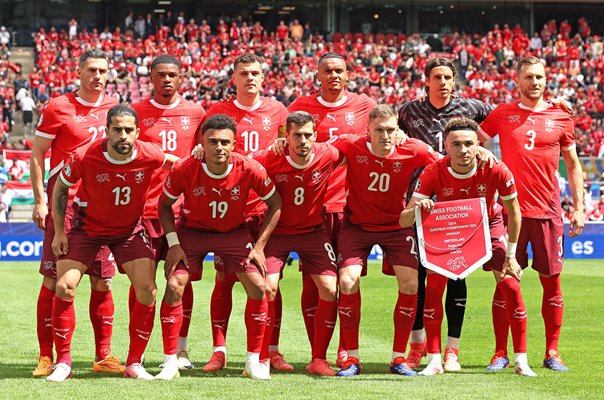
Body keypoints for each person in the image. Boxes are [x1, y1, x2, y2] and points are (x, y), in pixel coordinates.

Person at [46, 104, 176, 382]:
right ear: (106, 131)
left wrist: (200, 156)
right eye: (117, 129)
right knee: (64, 286)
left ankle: (133, 363)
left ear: (138, 132)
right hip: (87, 229)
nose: (123, 135)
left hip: (128, 231)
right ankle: (64, 362)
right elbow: (60, 186)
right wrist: (59, 231)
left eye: (129, 130)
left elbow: (176, 161)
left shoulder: (150, 152)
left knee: (147, 289)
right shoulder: (84, 155)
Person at [401, 117, 537, 377]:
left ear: (478, 145)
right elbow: (404, 218)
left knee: (510, 284)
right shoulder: (433, 171)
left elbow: (514, 212)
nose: (463, 150)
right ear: (446, 146)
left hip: (489, 224)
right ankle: (434, 359)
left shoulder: (496, 168)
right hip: (451, 229)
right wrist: (418, 207)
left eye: (468, 143)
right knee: (435, 286)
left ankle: (521, 360)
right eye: (456, 144)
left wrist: (510, 254)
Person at [156, 114, 282, 380]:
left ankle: (253, 362)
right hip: (193, 233)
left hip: (233, 233)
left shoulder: (249, 168)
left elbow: (276, 204)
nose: (219, 148)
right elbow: (164, 205)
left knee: (259, 287)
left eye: (225, 142)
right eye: (212, 141)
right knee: (173, 285)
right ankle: (170, 362)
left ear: (234, 144)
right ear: (202, 142)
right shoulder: (185, 168)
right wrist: (174, 244)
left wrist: (259, 246)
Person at [479, 56, 585, 372]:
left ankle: (552, 352)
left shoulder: (562, 117)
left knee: (551, 283)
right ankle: (500, 353)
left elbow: (575, 164)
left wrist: (578, 207)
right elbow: (472, 142)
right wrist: (483, 152)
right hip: (509, 214)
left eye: (539, 77)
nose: (534, 82)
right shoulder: (502, 114)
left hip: (549, 213)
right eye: (528, 77)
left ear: (545, 80)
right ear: (517, 80)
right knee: (505, 283)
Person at [397, 57, 496, 371]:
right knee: (418, 278)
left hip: (458, 204)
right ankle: (417, 346)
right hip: (421, 203)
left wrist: (484, 149)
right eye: (437, 76)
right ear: (426, 80)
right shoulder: (408, 111)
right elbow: (391, 140)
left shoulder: (473, 108)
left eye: (448, 77)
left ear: (455, 81)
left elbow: (505, 122)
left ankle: (451, 349)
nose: (442, 82)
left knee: (456, 274)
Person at [30, 49, 123, 377]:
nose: (98, 76)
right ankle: (46, 356)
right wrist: (40, 200)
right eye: (92, 70)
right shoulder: (58, 107)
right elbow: (38, 153)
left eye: (103, 70)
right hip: (64, 209)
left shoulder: (116, 109)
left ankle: (103, 356)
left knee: (103, 281)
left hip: (103, 209)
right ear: (79, 72)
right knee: (54, 279)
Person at [331, 105, 440, 377]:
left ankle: (399, 358)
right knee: (346, 281)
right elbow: (315, 150)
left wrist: (481, 152)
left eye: (391, 130)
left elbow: (444, 162)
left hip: (396, 226)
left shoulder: (413, 149)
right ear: (367, 129)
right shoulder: (351, 145)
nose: (385, 135)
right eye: (379, 130)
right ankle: (351, 358)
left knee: (411, 283)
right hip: (356, 226)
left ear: (398, 130)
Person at [198, 53, 288, 372]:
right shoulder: (218, 111)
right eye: (243, 73)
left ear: (264, 78)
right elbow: (201, 152)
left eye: (256, 73)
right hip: (228, 211)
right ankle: (218, 351)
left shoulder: (278, 111)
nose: (250, 77)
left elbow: (289, 150)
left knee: (269, 284)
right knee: (223, 280)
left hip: (263, 211)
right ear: (233, 79)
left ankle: (270, 352)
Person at [288, 52, 376, 367]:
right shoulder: (300, 106)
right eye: (328, 70)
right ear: (318, 74)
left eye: (339, 70)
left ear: (348, 74)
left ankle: (346, 348)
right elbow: (282, 141)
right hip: (315, 206)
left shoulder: (365, 105)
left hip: (352, 207)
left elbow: (385, 133)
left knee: (350, 280)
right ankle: (318, 352)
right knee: (313, 280)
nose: (334, 75)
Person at [251, 111, 342, 376]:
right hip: (277, 233)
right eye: (297, 135)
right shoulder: (270, 157)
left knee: (329, 288)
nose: (303, 140)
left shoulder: (328, 154)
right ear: (286, 136)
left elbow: (355, 146)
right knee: (268, 288)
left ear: (315, 136)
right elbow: (241, 165)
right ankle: (266, 355)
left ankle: (319, 359)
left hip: (313, 232)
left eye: (307, 135)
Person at [131, 54, 205, 371]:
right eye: (161, 75)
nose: (167, 80)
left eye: (172, 75)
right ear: (151, 76)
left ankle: (180, 350)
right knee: (142, 285)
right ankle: (140, 349)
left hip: (183, 213)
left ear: (181, 77)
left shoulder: (196, 112)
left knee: (179, 283)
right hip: (145, 212)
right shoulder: (136, 112)